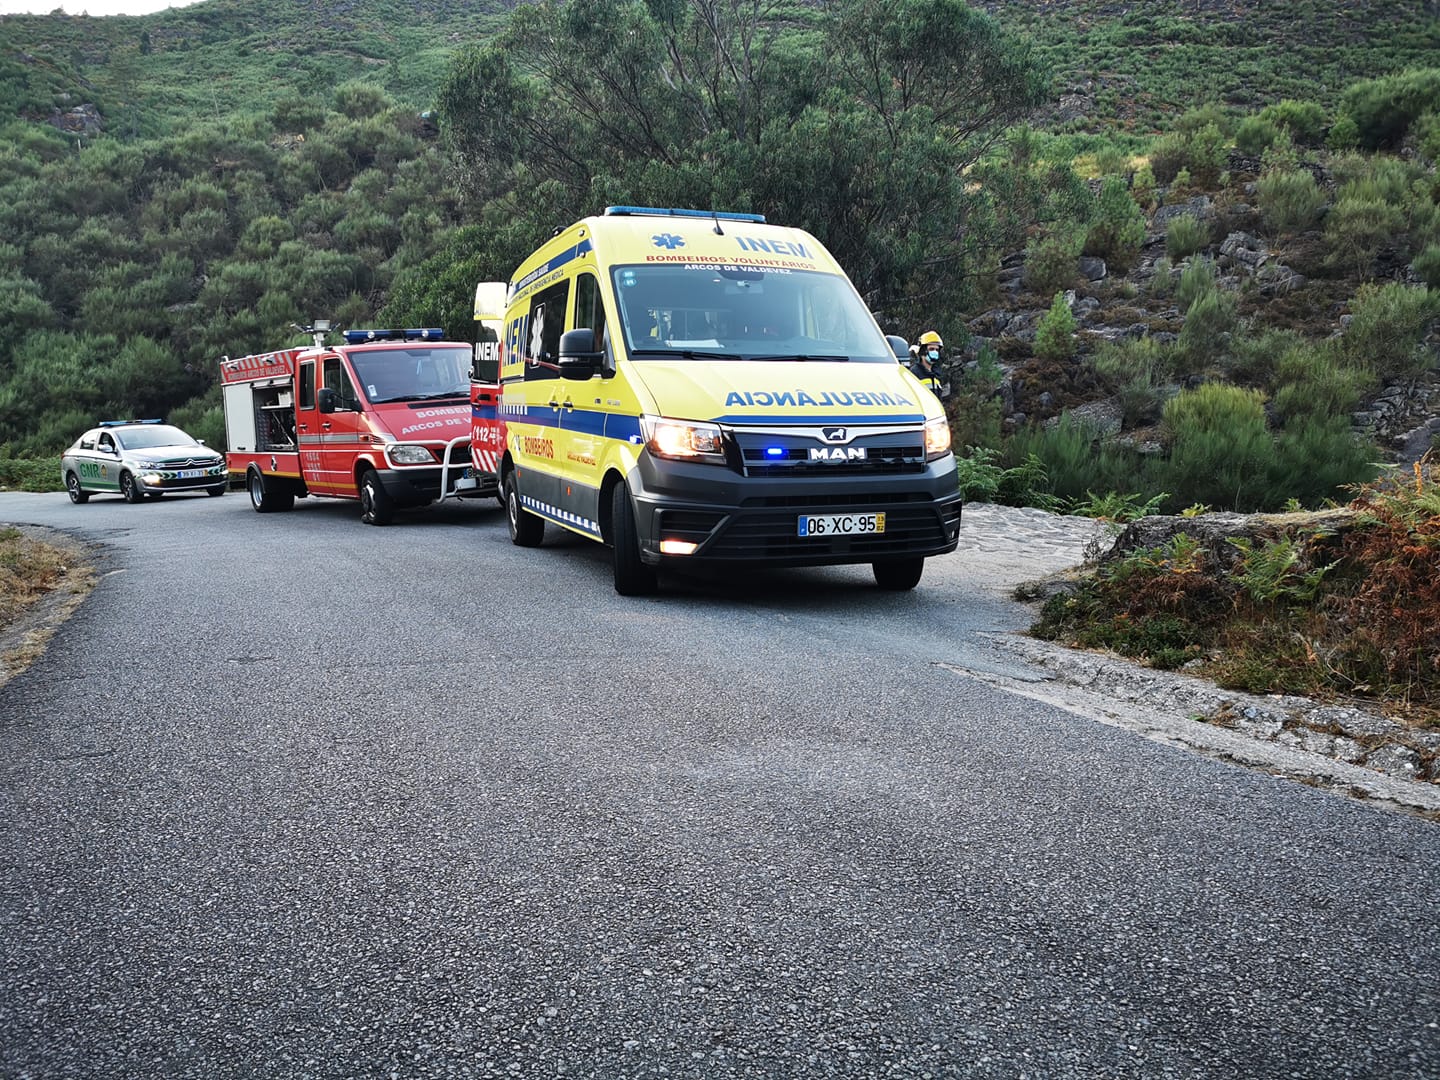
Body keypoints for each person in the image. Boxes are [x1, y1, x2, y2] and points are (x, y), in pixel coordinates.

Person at [909, 331, 947, 398]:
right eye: (931, 349)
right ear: (923, 351)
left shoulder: (937, 374)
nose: (935, 352)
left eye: (937, 350)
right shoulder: (914, 373)